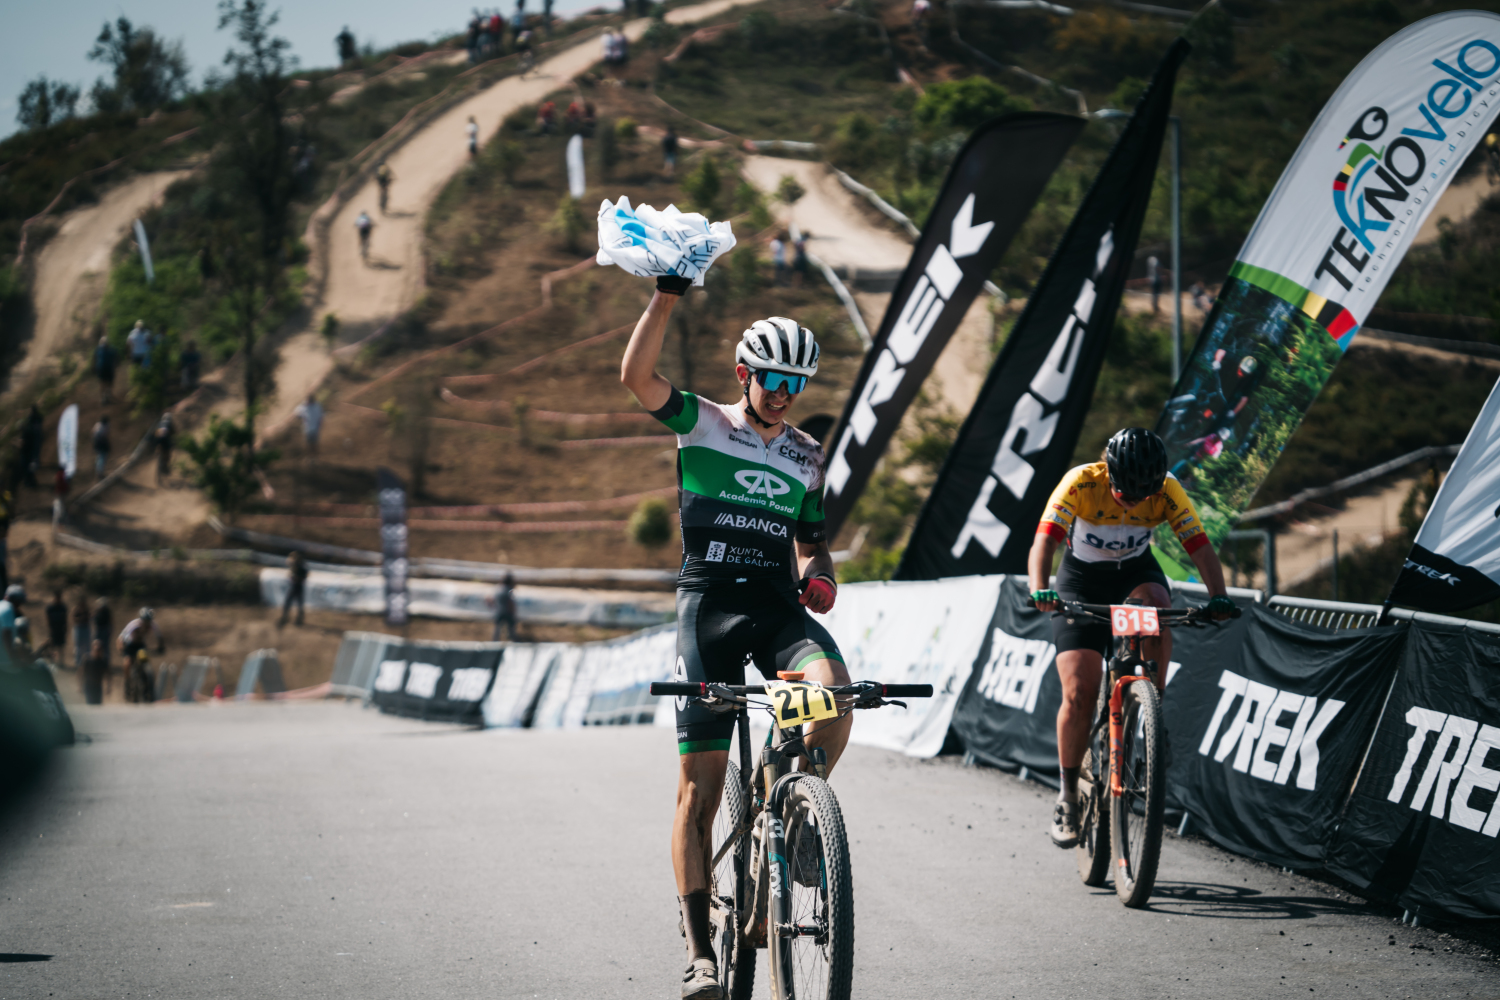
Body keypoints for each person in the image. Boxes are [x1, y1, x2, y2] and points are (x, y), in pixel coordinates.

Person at [620, 269, 843, 999]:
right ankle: (700, 952)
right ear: (745, 372)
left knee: (834, 695)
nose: (782, 392)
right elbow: (635, 376)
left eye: (795, 383)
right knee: (699, 791)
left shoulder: (807, 456)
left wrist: (821, 573)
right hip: (709, 607)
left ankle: (794, 808)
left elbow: (812, 543)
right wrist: (667, 295)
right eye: (771, 377)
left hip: (775, 608)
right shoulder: (703, 421)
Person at [1028, 428, 1233, 849]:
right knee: (1080, 689)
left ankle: (1150, 707)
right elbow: (1044, 540)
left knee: (1158, 609)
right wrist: (1039, 588)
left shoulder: (1168, 490)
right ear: (1110, 473)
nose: (1135, 500)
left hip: (1136, 575)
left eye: (1144, 494)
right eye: (1126, 493)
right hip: (1080, 581)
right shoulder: (1082, 482)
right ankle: (1067, 795)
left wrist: (1219, 598)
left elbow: (1200, 548)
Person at [279, 551, 308, 628]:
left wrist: (296, 578)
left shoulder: (299, 566)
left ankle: (290, 618)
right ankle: (294, 618)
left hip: (296, 586)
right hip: (297, 586)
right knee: (297, 603)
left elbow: (302, 575)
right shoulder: (298, 565)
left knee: (293, 603)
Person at [0, 584, 26, 659]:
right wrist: (12, 656)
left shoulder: (1, 605)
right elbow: (6, 633)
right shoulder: (8, 609)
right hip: (4, 661)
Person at [20, 405, 43, 488]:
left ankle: (31, 482)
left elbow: (23, 445)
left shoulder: (26, 433)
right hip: (37, 437)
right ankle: (31, 481)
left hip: (27, 453)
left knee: (28, 469)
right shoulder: (38, 417)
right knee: (36, 452)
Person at [492, 571, 518, 641]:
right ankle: (513, 641)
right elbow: (511, 602)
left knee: (497, 630)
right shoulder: (509, 590)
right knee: (511, 630)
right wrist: (513, 611)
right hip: (507, 612)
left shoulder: (498, 589)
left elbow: (492, 600)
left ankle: (494, 642)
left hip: (499, 612)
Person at [83, 639, 109, 705]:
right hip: (88, 686)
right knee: (90, 704)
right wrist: (80, 685)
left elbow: (108, 674)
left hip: (98, 686)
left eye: (99, 649)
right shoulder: (87, 659)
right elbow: (81, 672)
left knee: (98, 705)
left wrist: (108, 686)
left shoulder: (103, 661)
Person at [92, 597, 113, 679]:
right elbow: (93, 621)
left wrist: (110, 630)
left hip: (104, 630)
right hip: (98, 630)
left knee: (106, 648)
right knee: (96, 647)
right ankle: (96, 663)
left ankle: (106, 664)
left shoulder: (107, 612)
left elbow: (110, 621)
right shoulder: (96, 612)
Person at [94, 336, 119, 404]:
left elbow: (95, 359)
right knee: (108, 383)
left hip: (102, 369)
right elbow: (116, 359)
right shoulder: (111, 350)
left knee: (103, 383)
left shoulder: (98, 350)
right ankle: (107, 396)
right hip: (107, 368)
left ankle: (104, 397)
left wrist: (94, 368)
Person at [44, 589, 68, 658]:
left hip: (61, 629)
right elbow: (47, 619)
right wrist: (49, 628)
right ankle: (52, 660)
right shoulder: (50, 608)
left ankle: (61, 661)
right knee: (52, 645)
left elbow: (65, 619)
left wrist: (66, 628)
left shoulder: (63, 608)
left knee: (61, 646)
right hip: (53, 629)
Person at [71, 592, 91, 672]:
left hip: (86, 628)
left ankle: (87, 663)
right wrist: (81, 616)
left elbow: (89, 618)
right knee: (78, 647)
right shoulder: (76, 609)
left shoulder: (87, 609)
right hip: (78, 628)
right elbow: (74, 619)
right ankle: (78, 663)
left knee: (87, 647)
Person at [153, 412, 174, 486]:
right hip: (165, 439)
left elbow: (155, 431)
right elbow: (172, 433)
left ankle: (157, 449)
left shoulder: (159, 423)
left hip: (157, 438)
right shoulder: (169, 423)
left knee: (158, 443)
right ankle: (165, 465)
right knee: (167, 451)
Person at [91, 416, 111, 480]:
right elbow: (105, 435)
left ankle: (99, 471)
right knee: (102, 457)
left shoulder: (97, 424)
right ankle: (100, 473)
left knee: (100, 457)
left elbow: (92, 432)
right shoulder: (104, 426)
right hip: (101, 442)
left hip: (96, 442)